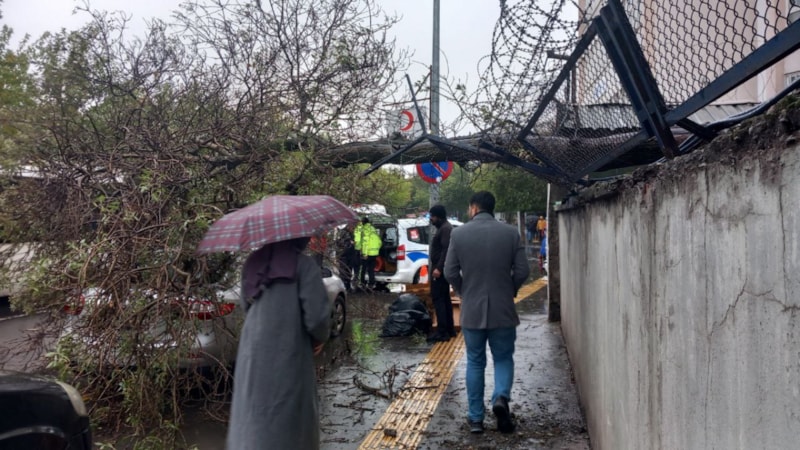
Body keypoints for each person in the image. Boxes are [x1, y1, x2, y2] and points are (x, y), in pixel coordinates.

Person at [227, 237, 331, 450]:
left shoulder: (252, 263)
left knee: (252, 412)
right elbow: (317, 318)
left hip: (253, 351)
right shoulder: (303, 265)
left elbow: (245, 306)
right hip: (289, 351)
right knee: (289, 417)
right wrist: (320, 338)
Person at [444, 191, 530, 435]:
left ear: (473, 208)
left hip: (472, 310)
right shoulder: (510, 233)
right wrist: (509, 289)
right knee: (503, 358)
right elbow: (523, 270)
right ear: (492, 208)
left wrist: (464, 293)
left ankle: (475, 419)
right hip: (503, 309)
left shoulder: (458, 234)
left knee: (475, 361)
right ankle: (501, 398)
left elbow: (450, 271)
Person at [427, 204, 455, 343]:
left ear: (438, 216)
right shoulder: (445, 228)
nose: (431, 219)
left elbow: (446, 250)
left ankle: (443, 331)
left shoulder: (445, 229)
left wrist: (438, 268)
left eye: (432, 216)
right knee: (444, 299)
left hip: (440, 271)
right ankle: (449, 329)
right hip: (442, 270)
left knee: (439, 300)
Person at [354, 217, 381, 289]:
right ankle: (371, 284)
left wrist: (364, 254)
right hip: (374, 253)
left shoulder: (365, 230)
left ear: (363, 223)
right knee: (371, 269)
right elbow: (379, 241)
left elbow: (365, 242)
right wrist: (377, 250)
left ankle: (362, 284)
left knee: (363, 269)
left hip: (367, 253)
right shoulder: (373, 229)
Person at [336, 224, 358, 292]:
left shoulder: (351, 234)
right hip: (343, 256)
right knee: (343, 272)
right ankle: (343, 287)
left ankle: (348, 286)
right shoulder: (342, 233)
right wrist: (349, 243)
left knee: (349, 271)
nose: (353, 229)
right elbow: (339, 244)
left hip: (350, 256)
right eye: (352, 227)